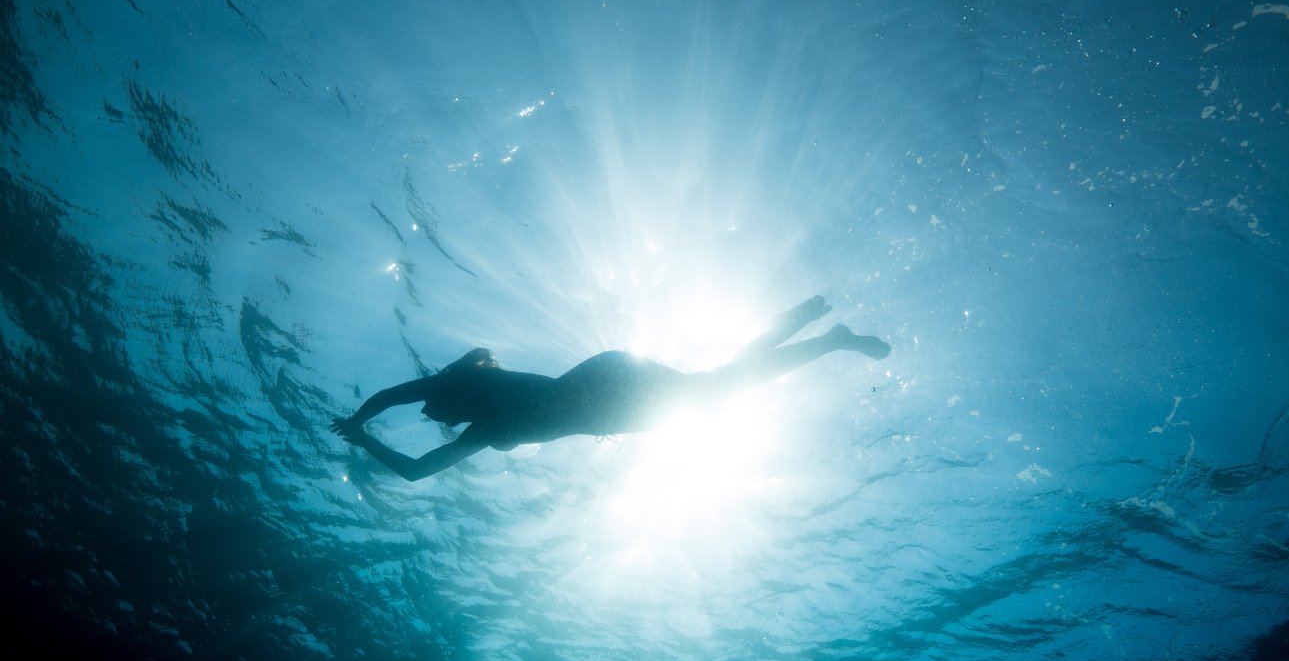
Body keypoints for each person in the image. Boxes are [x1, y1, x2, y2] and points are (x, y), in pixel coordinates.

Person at [330, 295, 890, 480]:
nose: (436, 417)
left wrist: (361, 430)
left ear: (446, 398)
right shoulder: (481, 417)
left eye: (435, 414)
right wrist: (361, 432)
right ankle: (817, 329)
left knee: (717, 386)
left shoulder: (470, 390)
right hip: (610, 401)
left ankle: (825, 337)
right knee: (718, 385)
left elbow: (398, 422)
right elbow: (416, 469)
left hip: (606, 391)